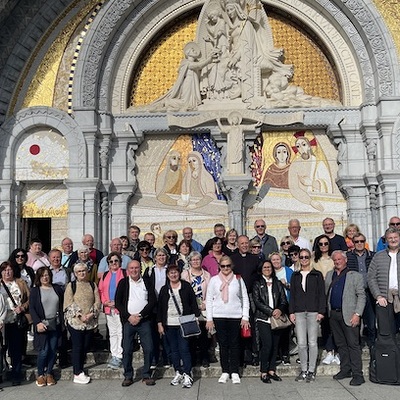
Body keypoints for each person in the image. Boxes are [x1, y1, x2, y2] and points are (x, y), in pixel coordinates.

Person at [206, 255, 250, 384]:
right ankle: (225, 370)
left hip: (235, 316)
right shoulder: (214, 280)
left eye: (228, 266)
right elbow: (209, 300)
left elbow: (245, 298)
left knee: (235, 344)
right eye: (223, 266)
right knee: (223, 345)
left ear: (232, 266)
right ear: (219, 266)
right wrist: (209, 318)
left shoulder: (238, 279)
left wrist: (245, 317)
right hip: (219, 316)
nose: (225, 268)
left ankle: (235, 371)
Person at [326, 251, 366, 386]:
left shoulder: (355, 276)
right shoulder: (330, 275)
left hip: (350, 315)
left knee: (353, 345)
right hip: (334, 314)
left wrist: (357, 314)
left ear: (345, 260)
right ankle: (345, 369)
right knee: (341, 344)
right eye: (335, 260)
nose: (337, 262)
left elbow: (361, 296)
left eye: (340, 259)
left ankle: (358, 374)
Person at [115, 260, 157, 387]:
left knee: (149, 348)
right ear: (128, 270)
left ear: (140, 269)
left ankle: (146, 374)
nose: (134, 270)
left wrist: (141, 315)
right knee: (127, 349)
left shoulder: (147, 282)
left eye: (136, 268)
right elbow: (118, 302)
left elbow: (152, 301)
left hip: (144, 320)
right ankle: (128, 375)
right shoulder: (123, 283)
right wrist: (128, 316)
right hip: (128, 321)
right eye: (132, 268)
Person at [158, 264, 200, 388]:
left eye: (175, 272)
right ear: (167, 275)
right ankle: (178, 371)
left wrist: (196, 317)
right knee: (173, 350)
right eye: (171, 273)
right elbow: (160, 307)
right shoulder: (164, 289)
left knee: (184, 348)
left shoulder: (186, 286)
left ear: (179, 273)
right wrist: (159, 323)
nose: (173, 275)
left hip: (184, 322)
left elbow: (193, 303)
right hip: (169, 323)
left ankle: (187, 373)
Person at [289, 249, 326, 382]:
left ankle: (311, 370)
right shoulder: (295, 275)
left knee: (312, 342)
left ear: (310, 258)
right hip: (299, 312)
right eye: (302, 257)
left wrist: (321, 311)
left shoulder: (316, 274)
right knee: (301, 343)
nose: (304, 259)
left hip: (313, 311)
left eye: (306, 257)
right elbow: (292, 295)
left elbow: (321, 294)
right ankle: (304, 369)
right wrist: (291, 312)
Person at [63, 262, 101, 384]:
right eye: (79, 271)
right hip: (75, 321)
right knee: (77, 346)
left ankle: (81, 368)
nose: (82, 273)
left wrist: (91, 314)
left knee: (85, 346)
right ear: (75, 273)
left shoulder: (92, 285)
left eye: (83, 271)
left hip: (89, 321)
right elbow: (68, 303)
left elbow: (97, 301)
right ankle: (77, 372)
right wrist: (80, 315)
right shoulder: (71, 286)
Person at [253, 259, 288, 383]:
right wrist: (271, 311)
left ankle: (272, 370)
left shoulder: (277, 283)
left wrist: (279, 309)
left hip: (277, 318)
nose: (267, 269)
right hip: (263, 318)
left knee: (275, 345)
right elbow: (257, 301)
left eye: (269, 267)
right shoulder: (257, 283)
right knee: (267, 344)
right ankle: (263, 371)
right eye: (265, 267)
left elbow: (283, 300)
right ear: (261, 270)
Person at [29, 266, 64, 387]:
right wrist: (37, 322)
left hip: (55, 323)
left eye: (47, 275)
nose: (45, 277)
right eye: (42, 275)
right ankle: (40, 374)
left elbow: (61, 305)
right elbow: (32, 308)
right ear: (39, 277)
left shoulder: (57, 288)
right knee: (44, 351)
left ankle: (49, 373)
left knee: (53, 350)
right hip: (42, 324)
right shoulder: (35, 291)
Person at [0, 261, 30, 385]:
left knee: (15, 349)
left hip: (15, 320)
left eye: (10, 270)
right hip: (1, 322)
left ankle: (16, 375)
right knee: (2, 349)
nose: (7, 272)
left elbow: (29, 299)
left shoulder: (20, 283)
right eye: (4, 270)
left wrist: (22, 307)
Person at [181, 251, 211, 367]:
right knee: (191, 334)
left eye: (198, 259)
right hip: (190, 308)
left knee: (204, 334)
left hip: (203, 308)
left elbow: (210, 292)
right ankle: (192, 358)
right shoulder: (184, 274)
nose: (195, 261)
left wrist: (205, 303)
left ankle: (204, 357)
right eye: (193, 260)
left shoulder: (207, 275)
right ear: (189, 261)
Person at [368, 227, 400, 334]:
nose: (393, 240)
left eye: (395, 237)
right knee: (387, 332)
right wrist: (378, 296)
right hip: (385, 299)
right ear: (386, 240)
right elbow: (371, 277)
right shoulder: (378, 256)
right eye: (390, 238)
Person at [346, 233, 376, 347]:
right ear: (353, 243)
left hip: (369, 292)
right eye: (356, 241)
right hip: (354, 293)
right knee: (355, 321)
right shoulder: (348, 256)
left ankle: (372, 345)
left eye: (362, 241)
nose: (359, 243)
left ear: (365, 242)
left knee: (371, 321)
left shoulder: (373, 255)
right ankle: (356, 345)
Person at [143, 247, 170, 367]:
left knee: (166, 333)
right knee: (153, 333)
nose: (161, 257)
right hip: (153, 305)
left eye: (163, 255)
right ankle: (154, 358)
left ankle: (166, 358)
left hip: (166, 304)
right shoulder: (149, 270)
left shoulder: (170, 270)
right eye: (159, 255)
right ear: (154, 258)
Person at [98, 252, 126, 370]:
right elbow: (100, 290)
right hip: (109, 308)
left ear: (120, 262)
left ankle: (120, 355)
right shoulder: (105, 275)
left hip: (120, 308)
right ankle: (114, 354)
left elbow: (126, 290)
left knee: (120, 331)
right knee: (112, 332)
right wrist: (105, 302)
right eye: (111, 261)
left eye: (116, 261)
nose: (114, 263)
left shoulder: (124, 273)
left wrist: (117, 302)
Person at [312, 235, 337, 365]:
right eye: (320, 244)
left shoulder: (334, 258)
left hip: (333, 293)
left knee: (335, 324)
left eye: (325, 243)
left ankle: (337, 351)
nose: (323, 246)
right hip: (319, 295)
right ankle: (329, 350)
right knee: (325, 324)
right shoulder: (313, 260)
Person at [270, 252, 293, 366]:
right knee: (275, 331)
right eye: (273, 260)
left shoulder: (288, 271)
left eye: (277, 259)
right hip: (274, 305)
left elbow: (295, 286)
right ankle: (277, 354)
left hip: (286, 303)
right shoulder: (269, 271)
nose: (276, 261)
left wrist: (286, 284)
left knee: (285, 330)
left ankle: (285, 354)